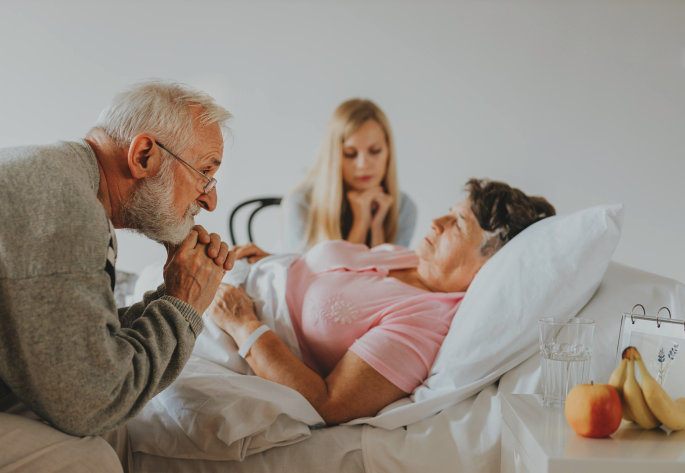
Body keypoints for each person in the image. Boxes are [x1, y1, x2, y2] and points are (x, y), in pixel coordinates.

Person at [0, 80, 235, 472]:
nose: (210, 200)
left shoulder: (67, 182)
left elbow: (76, 350)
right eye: (205, 173)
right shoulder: (66, 207)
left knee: (116, 433)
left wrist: (172, 295)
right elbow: (93, 400)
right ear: (144, 155)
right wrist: (183, 306)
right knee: (89, 460)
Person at [210, 178, 555, 424]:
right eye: (450, 211)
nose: (436, 221)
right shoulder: (409, 259)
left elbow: (327, 403)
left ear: (489, 261)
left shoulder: (425, 322)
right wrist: (277, 260)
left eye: (458, 224)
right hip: (237, 277)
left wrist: (244, 326)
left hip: (231, 324)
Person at [281, 98, 417, 252]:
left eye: (375, 151)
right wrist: (361, 222)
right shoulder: (301, 204)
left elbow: (389, 274)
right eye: (350, 154)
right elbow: (324, 276)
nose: (363, 164)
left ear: (388, 152)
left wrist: (376, 227)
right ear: (334, 156)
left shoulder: (404, 207)